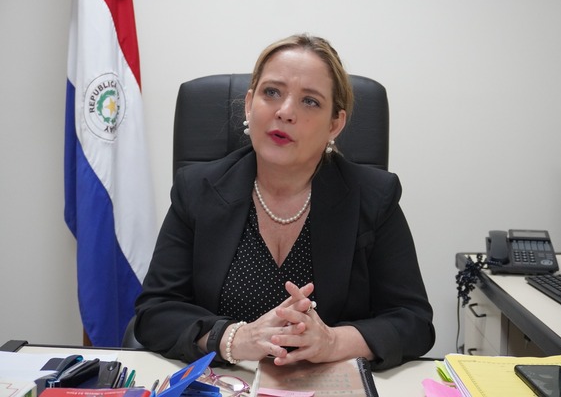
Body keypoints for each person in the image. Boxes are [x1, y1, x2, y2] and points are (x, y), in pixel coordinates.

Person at [134, 33, 435, 371]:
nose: (285, 112)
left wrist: (332, 342)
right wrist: (234, 338)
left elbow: (413, 322)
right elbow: (154, 312)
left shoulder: (375, 196)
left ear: (335, 124)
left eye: (310, 101)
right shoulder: (196, 189)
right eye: (272, 93)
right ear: (250, 103)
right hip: (225, 383)